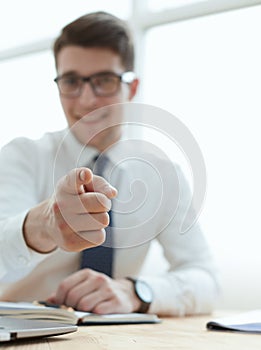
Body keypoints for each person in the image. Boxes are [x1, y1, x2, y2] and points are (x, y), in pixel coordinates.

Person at [0, 11, 218, 316]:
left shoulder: (165, 175)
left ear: (131, 87)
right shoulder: (21, 156)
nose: (87, 100)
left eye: (104, 80)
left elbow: (206, 278)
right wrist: (45, 225)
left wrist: (135, 291)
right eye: (72, 81)